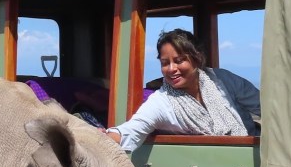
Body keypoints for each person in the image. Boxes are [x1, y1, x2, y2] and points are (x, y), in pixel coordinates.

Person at [106, 29, 260, 152]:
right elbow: (131, 130)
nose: (171, 69)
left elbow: (262, 106)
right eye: (165, 63)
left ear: (197, 59)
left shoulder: (222, 79)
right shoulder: (162, 102)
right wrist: (100, 140)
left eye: (179, 61)